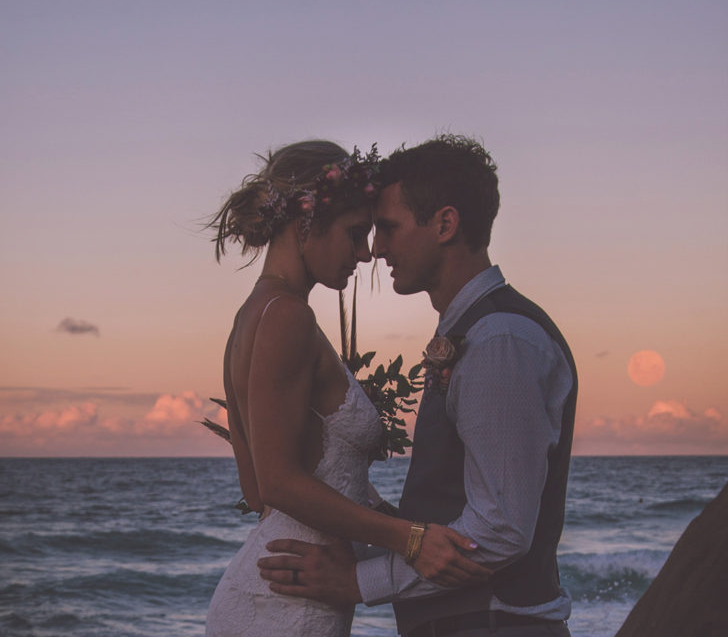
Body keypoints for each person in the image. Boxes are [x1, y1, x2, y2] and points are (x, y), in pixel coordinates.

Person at [258, 135, 578, 637]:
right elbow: (453, 505)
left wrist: (357, 582)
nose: (376, 250)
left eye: (387, 229)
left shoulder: (499, 341)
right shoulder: (477, 332)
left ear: (445, 224)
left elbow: (499, 532)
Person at [205, 139, 489, 637]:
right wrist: (411, 539)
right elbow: (276, 485)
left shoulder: (251, 316)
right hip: (288, 601)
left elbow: (257, 492)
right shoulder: (288, 317)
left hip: (286, 581)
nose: (365, 254)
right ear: (305, 220)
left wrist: (397, 526)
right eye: (355, 234)